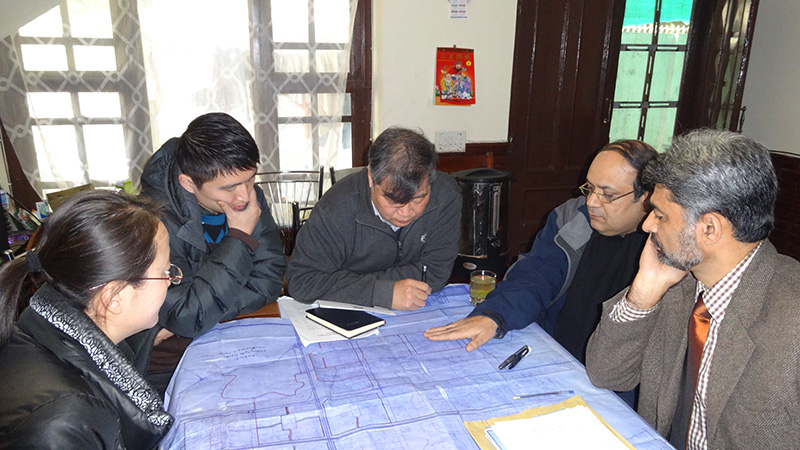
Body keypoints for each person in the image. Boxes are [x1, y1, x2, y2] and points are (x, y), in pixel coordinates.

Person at [585, 129, 800, 448]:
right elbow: (607, 374)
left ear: (709, 228)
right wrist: (643, 292)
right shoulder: (679, 280)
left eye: (659, 215)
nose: (647, 226)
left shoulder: (790, 316)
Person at [424, 140, 657, 364]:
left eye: (607, 195)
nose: (592, 202)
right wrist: (494, 315)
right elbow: (535, 274)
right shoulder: (574, 217)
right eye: (590, 189)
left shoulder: (666, 247)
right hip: (556, 352)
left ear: (646, 198)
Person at [0, 190, 173, 449]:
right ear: (114, 297)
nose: (171, 280)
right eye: (165, 272)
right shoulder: (64, 421)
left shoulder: (49, 328)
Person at [134, 112, 286, 391]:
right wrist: (239, 237)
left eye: (251, 179)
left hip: (225, 337)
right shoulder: (151, 220)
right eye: (228, 189)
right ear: (188, 183)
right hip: (167, 362)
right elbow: (188, 313)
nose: (244, 196)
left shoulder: (249, 196)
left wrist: (197, 314)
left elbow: (269, 280)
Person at [286, 127, 462, 310]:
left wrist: (351, 284)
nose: (406, 212)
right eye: (393, 200)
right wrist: (382, 292)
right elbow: (302, 281)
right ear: (371, 178)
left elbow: (435, 273)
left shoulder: (445, 194)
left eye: (418, 199)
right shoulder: (337, 207)